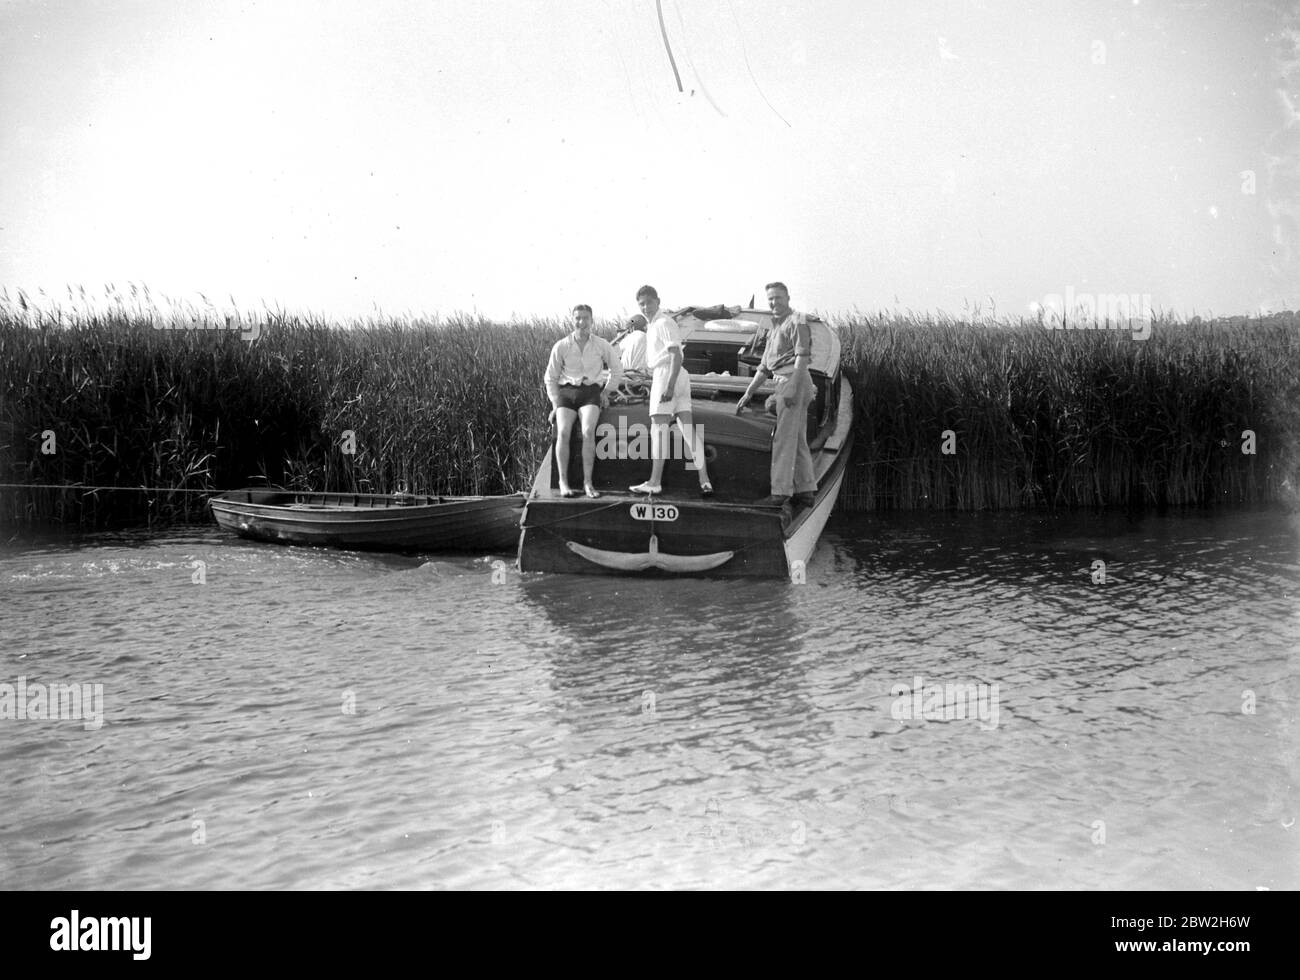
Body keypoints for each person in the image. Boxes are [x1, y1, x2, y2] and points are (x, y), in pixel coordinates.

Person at [734, 282, 816, 508]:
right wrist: (749, 393)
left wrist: (791, 387)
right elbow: (764, 367)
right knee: (797, 438)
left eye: (778, 298)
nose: (774, 302)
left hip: (793, 380)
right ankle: (806, 489)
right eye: (770, 299)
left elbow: (802, 356)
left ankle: (780, 493)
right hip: (785, 380)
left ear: (788, 298)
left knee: (783, 439)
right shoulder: (774, 327)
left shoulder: (797, 321)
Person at [628, 285, 714, 498]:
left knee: (659, 430)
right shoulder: (657, 324)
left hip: (668, 374)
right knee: (688, 431)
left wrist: (668, 386)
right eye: (641, 304)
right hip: (678, 376)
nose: (645, 307)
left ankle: (654, 482)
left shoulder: (662, 323)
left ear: (658, 301)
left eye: (649, 302)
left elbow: (675, 355)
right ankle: (704, 480)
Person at [544, 304, 622, 498]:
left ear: (592, 320)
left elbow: (617, 368)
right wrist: (555, 404)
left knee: (588, 431)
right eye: (578, 318)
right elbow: (550, 378)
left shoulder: (601, 344)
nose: (581, 322)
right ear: (573, 320)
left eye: (585, 318)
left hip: (591, 392)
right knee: (562, 432)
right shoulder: (561, 345)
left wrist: (607, 391)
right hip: (568, 392)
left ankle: (588, 483)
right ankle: (563, 482)